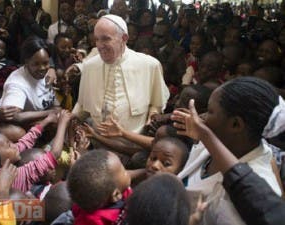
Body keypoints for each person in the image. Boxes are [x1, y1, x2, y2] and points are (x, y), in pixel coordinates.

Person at [171, 77, 284, 224]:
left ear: (236, 124)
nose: (202, 117)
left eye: (210, 111)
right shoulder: (224, 142)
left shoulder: (247, 198)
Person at [66, 14, 169, 134]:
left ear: (124, 38)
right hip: (98, 142)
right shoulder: (90, 66)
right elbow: (83, 106)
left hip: (133, 145)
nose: (99, 45)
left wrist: (152, 117)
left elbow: (157, 104)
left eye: (105, 39)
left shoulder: (150, 65)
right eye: (97, 39)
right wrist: (68, 122)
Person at [0, 36, 59, 123]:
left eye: (46, 63)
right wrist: (49, 113)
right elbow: (13, 116)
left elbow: (54, 103)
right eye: (36, 64)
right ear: (26, 61)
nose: (42, 68)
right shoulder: (17, 83)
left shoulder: (47, 73)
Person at [67, 149, 132, 225]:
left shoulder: (118, 189)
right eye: (124, 171)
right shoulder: (91, 221)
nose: (127, 172)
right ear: (116, 194)